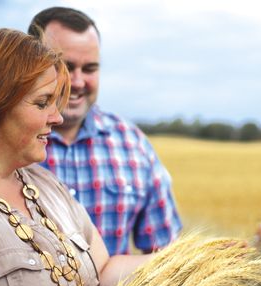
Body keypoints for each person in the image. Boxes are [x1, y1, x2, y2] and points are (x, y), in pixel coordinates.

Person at [0, 28, 154, 286]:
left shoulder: (43, 183)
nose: (57, 116)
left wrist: (195, 260)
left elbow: (103, 272)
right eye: (42, 103)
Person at [27, 7, 182, 256]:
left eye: (89, 69)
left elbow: (166, 255)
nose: (77, 82)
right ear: (30, 64)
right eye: (64, 67)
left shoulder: (133, 145)